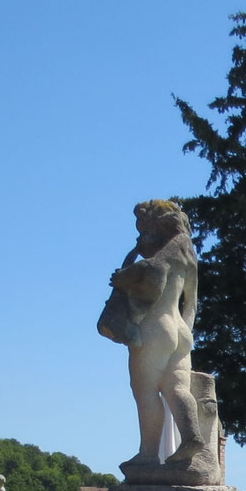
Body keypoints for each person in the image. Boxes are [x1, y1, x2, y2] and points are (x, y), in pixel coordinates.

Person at [98, 199, 200, 473]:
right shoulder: (187, 254)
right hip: (181, 330)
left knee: (144, 392)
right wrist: (186, 332)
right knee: (177, 388)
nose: (139, 235)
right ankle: (191, 437)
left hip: (155, 327)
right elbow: (191, 304)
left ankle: (148, 454)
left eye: (142, 228)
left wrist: (125, 277)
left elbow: (155, 271)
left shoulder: (167, 253)